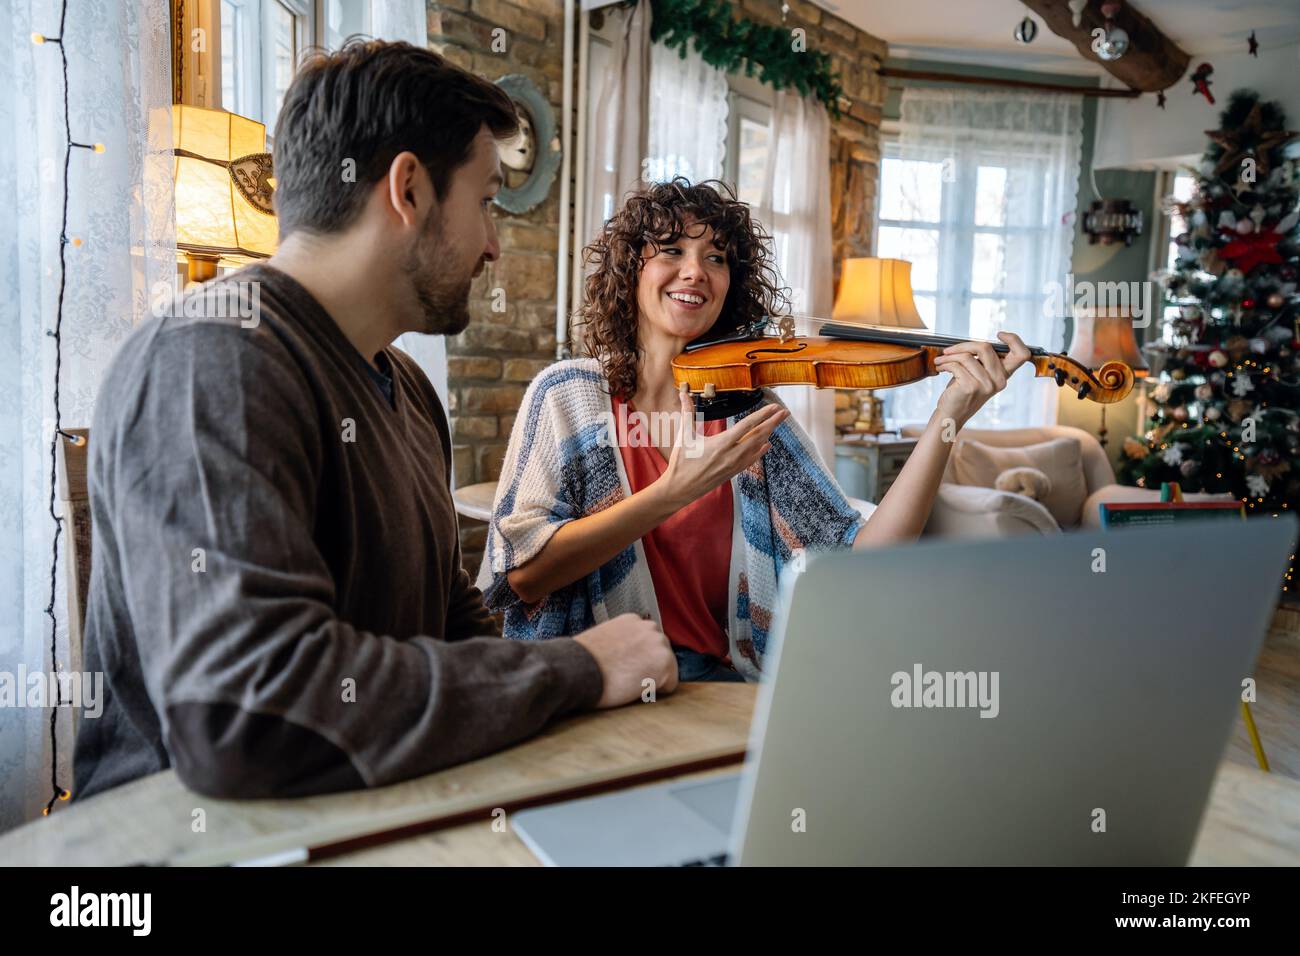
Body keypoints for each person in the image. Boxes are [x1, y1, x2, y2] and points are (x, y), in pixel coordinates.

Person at [73, 39, 676, 801]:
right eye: (486, 201)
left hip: (374, 806)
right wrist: (580, 666)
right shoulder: (210, 365)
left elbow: (448, 623)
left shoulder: (409, 388)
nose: (494, 245)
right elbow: (248, 720)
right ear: (409, 190)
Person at [479, 178, 1030, 681]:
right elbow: (525, 573)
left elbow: (864, 558)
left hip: (722, 684)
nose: (695, 270)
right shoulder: (568, 397)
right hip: (595, 680)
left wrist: (949, 416)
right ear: (630, 272)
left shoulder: (748, 415)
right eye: (672, 250)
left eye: (715, 257)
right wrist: (674, 492)